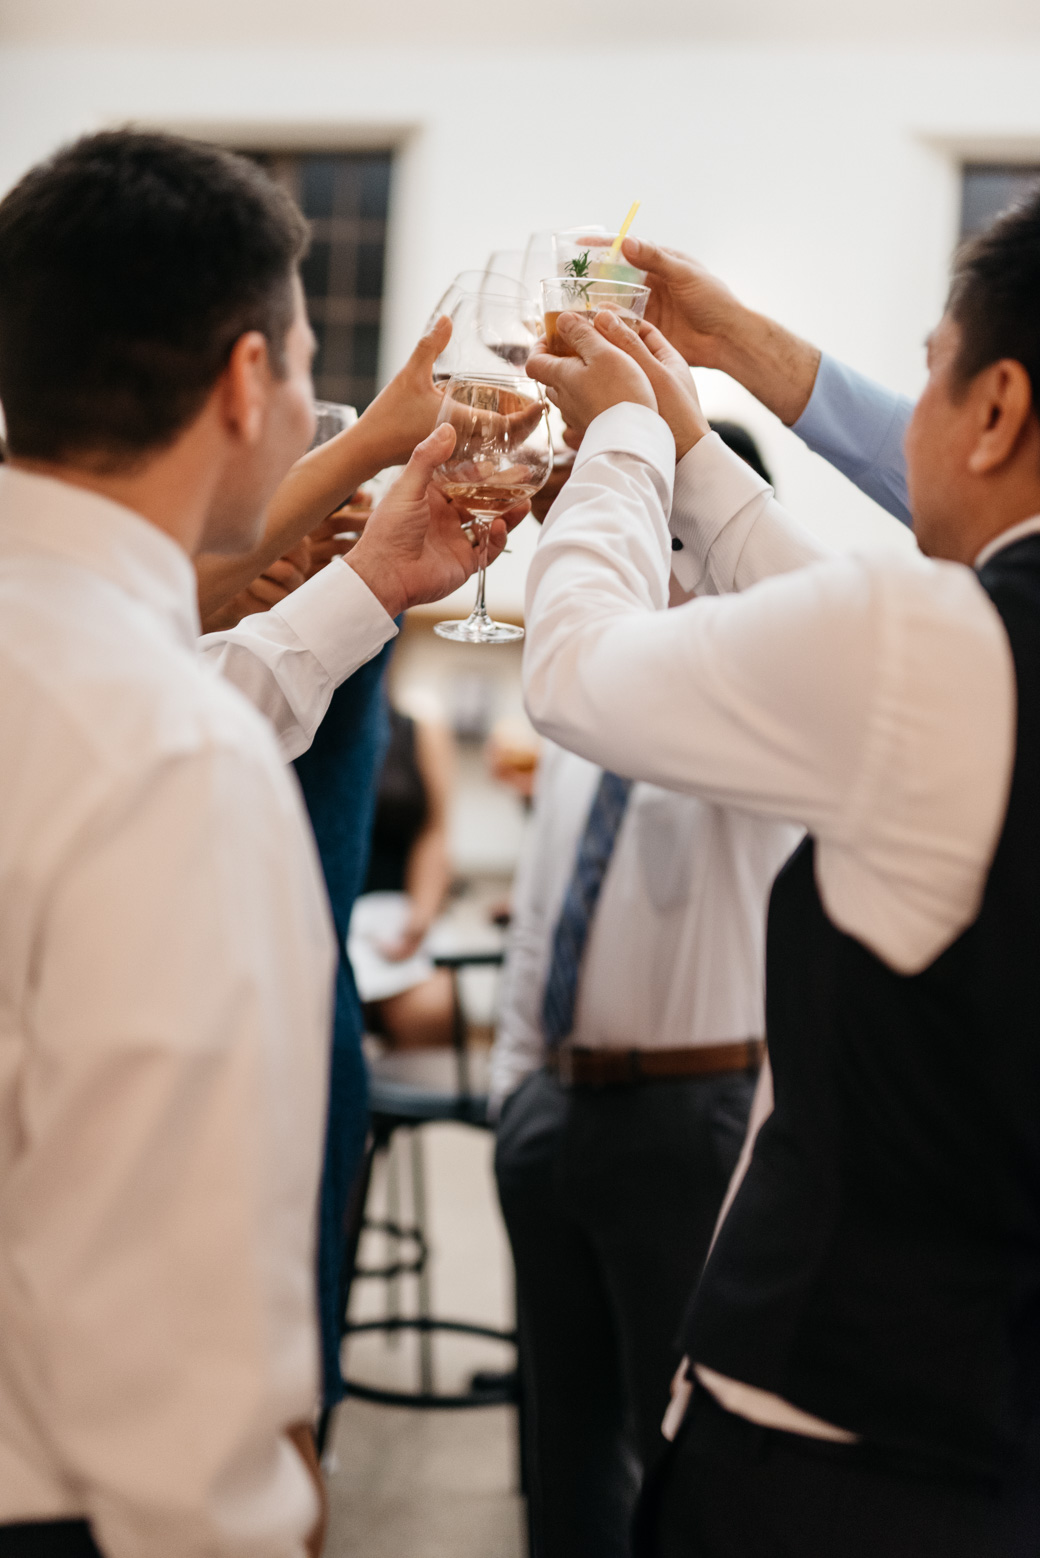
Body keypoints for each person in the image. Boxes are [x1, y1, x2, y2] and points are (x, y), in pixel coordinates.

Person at [0, 129, 524, 1558]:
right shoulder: (175, 757)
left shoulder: (100, 678)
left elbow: (182, 684)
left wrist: (376, 578)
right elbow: (186, 1290)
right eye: (304, 369)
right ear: (247, 383)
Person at [521, 188, 1040, 1558]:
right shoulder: (955, 650)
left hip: (823, 1439)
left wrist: (623, 446)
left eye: (930, 374)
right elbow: (878, 674)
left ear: (995, 410)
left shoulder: (926, 639)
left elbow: (575, 674)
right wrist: (698, 451)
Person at [490, 426, 800, 1558]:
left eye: (668, 531)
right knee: (559, 1442)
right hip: (554, 1109)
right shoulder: (587, 705)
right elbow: (539, 909)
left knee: (672, 1444)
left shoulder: (755, 711)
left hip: (690, 1115)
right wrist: (513, 1092)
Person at [350, 703, 457, 1048]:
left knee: (430, 1012)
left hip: (397, 916)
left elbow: (434, 832)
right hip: (323, 915)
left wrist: (420, 918)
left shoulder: (420, 731)